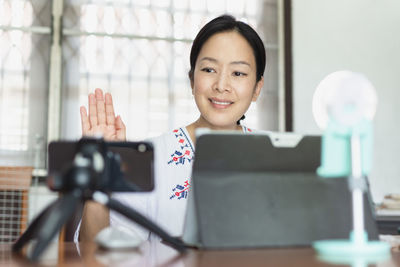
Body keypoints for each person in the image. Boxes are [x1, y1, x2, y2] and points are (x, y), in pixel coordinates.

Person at [77, 14, 266, 242]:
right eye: (208, 70)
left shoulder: (276, 158)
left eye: (238, 73)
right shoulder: (148, 157)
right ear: (192, 80)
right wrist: (100, 179)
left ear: (257, 88)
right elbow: (98, 252)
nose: (221, 86)